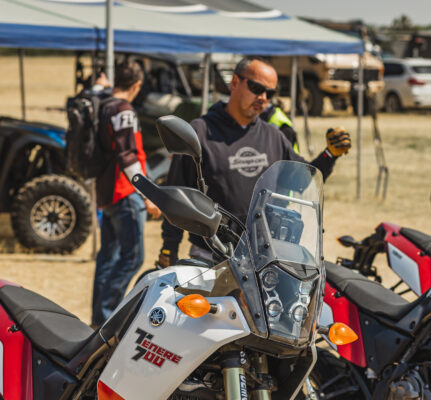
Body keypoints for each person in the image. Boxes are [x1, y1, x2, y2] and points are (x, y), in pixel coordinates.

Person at [157, 56, 351, 266]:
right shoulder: (199, 132)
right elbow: (176, 195)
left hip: (266, 256)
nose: (263, 97)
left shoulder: (273, 136)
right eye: (257, 88)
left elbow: (301, 180)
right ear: (234, 83)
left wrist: (330, 155)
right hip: (211, 257)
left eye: (270, 93)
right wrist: (169, 248)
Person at [92, 61, 161, 327]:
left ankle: (99, 319)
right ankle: (109, 318)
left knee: (108, 257)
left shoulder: (101, 102)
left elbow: (93, 91)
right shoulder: (123, 109)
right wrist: (147, 193)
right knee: (133, 257)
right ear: (137, 85)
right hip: (125, 192)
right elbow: (127, 154)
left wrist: (100, 84)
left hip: (106, 192)